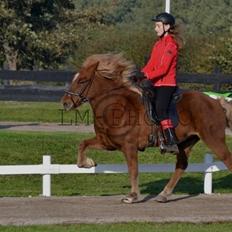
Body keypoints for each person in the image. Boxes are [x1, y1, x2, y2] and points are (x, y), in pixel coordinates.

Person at [140, 12, 183, 153]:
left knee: (160, 109)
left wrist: (147, 74)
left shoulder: (171, 45)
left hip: (166, 84)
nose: (155, 28)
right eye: (155, 25)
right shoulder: (158, 44)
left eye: (158, 25)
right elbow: (151, 64)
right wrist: (140, 74)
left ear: (167, 26)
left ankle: (171, 141)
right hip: (155, 83)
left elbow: (163, 69)